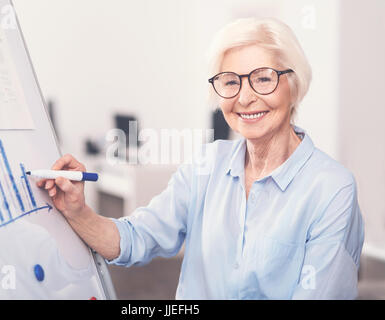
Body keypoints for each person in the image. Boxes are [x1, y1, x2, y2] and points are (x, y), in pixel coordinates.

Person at [37, 17, 364, 299]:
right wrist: (77, 212)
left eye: (263, 78)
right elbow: (136, 238)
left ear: (292, 85)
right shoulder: (206, 165)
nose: (246, 97)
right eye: (231, 82)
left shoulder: (331, 188)